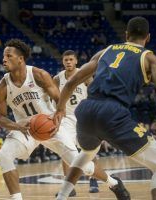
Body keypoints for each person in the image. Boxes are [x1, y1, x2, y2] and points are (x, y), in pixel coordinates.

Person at [0, 39, 129, 200]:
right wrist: (17, 126)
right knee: (3, 155)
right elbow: (0, 117)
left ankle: (113, 183)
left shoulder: (39, 75)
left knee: (83, 166)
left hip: (49, 125)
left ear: (20, 59)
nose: (4, 59)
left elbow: (60, 101)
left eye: (8, 56)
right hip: (25, 129)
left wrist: (58, 116)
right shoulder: (2, 86)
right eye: (4, 56)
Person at [53, 16, 156, 200]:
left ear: (126, 35)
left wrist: (60, 109)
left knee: (86, 154)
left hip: (85, 110)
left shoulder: (106, 51)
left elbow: (71, 83)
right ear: (148, 37)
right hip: (112, 111)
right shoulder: (150, 58)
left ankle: (61, 196)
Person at [53, 49, 99, 195]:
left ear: (76, 61)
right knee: (65, 150)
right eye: (66, 60)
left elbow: (95, 94)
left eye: (71, 59)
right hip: (66, 119)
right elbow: (51, 97)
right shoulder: (57, 79)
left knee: (89, 151)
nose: (68, 62)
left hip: (83, 118)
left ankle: (93, 180)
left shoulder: (84, 75)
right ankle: (69, 187)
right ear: (62, 62)